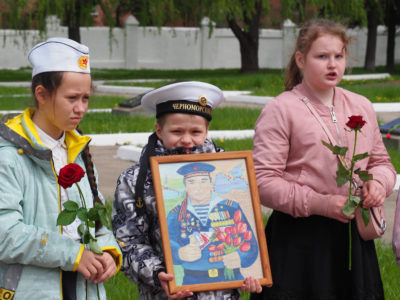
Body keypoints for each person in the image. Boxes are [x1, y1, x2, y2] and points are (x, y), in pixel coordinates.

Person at [251, 19, 396, 300]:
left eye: (338, 56)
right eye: (322, 56)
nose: (333, 65)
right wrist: (320, 203)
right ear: (301, 59)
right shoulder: (281, 109)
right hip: (299, 242)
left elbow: (382, 163)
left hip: (354, 237)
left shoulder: (361, 105)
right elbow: (262, 181)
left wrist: (379, 184)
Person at [112, 81, 262, 300]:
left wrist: (246, 264)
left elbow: (247, 239)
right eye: (176, 131)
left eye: (195, 131)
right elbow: (128, 242)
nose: (187, 140)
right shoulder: (135, 180)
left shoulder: (229, 173)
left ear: (207, 131)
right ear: (158, 129)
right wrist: (157, 272)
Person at [0, 37, 121, 300]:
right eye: (72, 98)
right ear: (41, 94)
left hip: (84, 287)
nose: (81, 109)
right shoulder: (8, 156)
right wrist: (72, 254)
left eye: (86, 98)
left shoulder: (78, 152)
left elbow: (95, 221)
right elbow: (5, 234)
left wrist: (110, 251)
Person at [167, 162, 259, 285]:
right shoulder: (175, 214)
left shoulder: (230, 207)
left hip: (231, 279)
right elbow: (167, 243)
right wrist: (179, 253)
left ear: (211, 184)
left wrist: (240, 257)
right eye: (191, 182)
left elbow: (251, 244)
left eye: (203, 181)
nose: (197, 187)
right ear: (185, 186)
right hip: (193, 282)